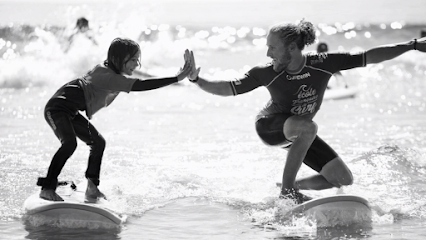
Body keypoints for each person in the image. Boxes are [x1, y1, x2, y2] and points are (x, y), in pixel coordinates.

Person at [187, 20, 426, 204]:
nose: (268, 53)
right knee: (307, 127)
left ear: (292, 47)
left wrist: (412, 45)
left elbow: (368, 56)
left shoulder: (322, 64)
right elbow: (228, 88)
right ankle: (287, 192)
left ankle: (288, 185)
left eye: (273, 47)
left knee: (343, 178)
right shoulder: (266, 72)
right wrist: (197, 79)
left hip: (300, 133)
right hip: (270, 126)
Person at [37, 37, 193, 202]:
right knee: (69, 144)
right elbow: (142, 85)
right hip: (57, 109)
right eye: (133, 60)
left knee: (98, 142)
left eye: (137, 60)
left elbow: (135, 80)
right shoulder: (108, 77)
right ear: (118, 59)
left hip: (70, 111)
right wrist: (176, 78)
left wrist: (175, 77)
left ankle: (92, 187)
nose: (136, 64)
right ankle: (47, 188)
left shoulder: (109, 72)